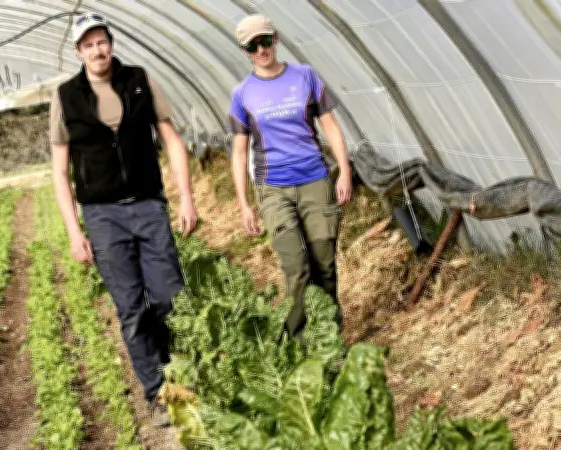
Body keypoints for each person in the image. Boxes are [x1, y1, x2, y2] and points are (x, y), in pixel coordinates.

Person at [48, 12, 198, 427]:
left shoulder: (139, 79)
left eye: (102, 41)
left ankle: (182, 375)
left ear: (110, 43)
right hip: (103, 216)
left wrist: (186, 198)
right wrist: (74, 230)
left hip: (148, 205)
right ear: (78, 51)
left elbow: (172, 140)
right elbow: (59, 171)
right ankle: (159, 394)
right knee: (131, 309)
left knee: (169, 298)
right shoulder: (66, 96)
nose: (97, 50)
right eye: (88, 44)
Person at [228, 14, 352, 344]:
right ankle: (298, 341)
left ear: (276, 39)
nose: (261, 50)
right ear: (244, 51)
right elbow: (239, 153)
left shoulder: (305, 76)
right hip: (273, 188)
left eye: (265, 41)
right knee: (296, 266)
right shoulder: (242, 94)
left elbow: (330, 126)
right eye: (252, 46)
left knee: (324, 262)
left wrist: (344, 170)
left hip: (315, 180)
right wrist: (244, 203)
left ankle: (329, 337)